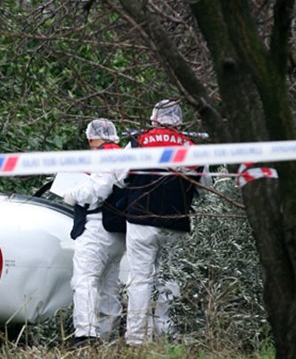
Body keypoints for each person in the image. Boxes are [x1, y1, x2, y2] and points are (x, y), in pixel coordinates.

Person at [121, 100, 199, 345]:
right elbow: (206, 187)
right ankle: (165, 333)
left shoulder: (137, 142)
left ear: (153, 119)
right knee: (169, 278)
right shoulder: (192, 148)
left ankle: (136, 338)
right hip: (176, 221)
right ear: (180, 122)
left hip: (140, 219)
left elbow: (119, 177)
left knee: (140, 278)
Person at [63, 119, 128, 346]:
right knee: (109, 285)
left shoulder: (103, 155)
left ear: (91, 138)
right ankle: (109, 338)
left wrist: (73, 193)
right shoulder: (123, 154)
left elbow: (98, 188)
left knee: (84, 280)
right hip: (118, 231)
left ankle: (86, 335)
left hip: (96, 227)